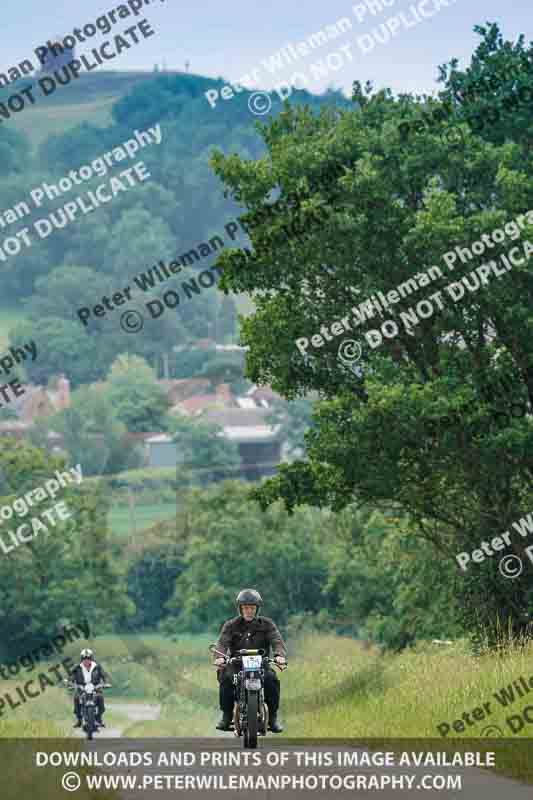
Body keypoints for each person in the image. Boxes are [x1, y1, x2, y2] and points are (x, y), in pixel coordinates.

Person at [213, 589, 287, 733]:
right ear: (240, 609)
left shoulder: (267, 624)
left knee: (271, 679)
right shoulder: (231, 625)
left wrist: (279, 655)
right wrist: (219, 657)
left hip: (261, 664)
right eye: (246, 608)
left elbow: (277, 640)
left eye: (252, 608)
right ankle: (226, 716)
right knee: (226, 679)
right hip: (236, 665)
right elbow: (222, 642)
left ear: (257, 609)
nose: (249, 611)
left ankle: (272, 718)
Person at [70, 648, 108, 728]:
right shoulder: (77, 668)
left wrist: (105, 683)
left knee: (100, 698)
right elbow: (72, 677)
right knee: (76, 698)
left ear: (91, 659)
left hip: (95, 688)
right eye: (84, 659)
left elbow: (104, 675)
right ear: (82, 659)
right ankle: (79, 720)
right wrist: (72, 683)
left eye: (88, 659)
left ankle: (99, 718)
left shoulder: (97, 667)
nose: (86, 661)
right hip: (81, 688)